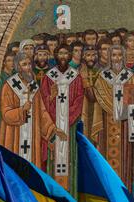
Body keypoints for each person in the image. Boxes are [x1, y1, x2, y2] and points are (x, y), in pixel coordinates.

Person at [93, 45, 134, 189]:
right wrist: (97, 127)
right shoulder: (102, 78)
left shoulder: (130, 77)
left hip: (124, 127)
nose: (116, 58)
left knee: (124, 164)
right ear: (109, 57)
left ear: (123, 57)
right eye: (114, 55)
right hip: (106, 129)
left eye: (119, 55)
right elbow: (98, 105)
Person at [0, 52, 62, 167]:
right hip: (15, 136)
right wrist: (21, 110)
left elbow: (42, 111)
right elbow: (5, 114)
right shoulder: (8, 86)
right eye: (24, 64)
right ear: (18, 67)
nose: (28, 68)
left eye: (29, 64)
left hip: (32, 135)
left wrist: (53, 129)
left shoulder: (34, 87)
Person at [40, 43, 84, 193]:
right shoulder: (48, 77)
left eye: (66, 54)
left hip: (70, 128)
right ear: (56, 56)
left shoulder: (76, 77)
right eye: (60, 54)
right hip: (53, 125)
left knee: (70, 159)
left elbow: (79, 100)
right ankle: (54, 196)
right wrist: (51, 98)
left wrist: (67, 119)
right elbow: (43, 102)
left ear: (70, 56)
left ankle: (71, 196)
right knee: (54, 160)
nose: (63, 57)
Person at [79, 45, 101, 137]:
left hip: (97, 108)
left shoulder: (100, 72)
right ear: (83, 57)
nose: (91, 58)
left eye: (93, 55)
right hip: (82, 108)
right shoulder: (78, 72)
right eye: (88, 55)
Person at [0, 51, 16, 142]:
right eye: (9, 60)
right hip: (2, 112)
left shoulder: (16, 76)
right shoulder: (0, 78)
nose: (12, 63)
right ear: (4, 62)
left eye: (13, 60)